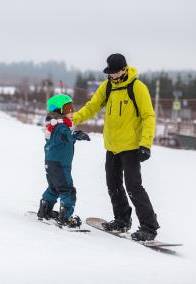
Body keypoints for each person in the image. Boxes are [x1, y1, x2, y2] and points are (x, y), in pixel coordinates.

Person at [73, 53, 160, 241]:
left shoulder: (137, 88)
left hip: (131, 147)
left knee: (133, 187)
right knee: (113, 184)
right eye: (109, 72)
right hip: (112, 146)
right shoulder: (108, 87)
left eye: (114, 72)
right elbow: (92, 106)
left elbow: (148, 117)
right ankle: (121, 219)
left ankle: (149, 227)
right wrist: (73, 119)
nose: (111, 75)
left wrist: (145, 144)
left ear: (123, 69)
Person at [37, 94, 90, 228]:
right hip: (60, 166)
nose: (72, 111)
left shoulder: (53, 126)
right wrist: (76, 134)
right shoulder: (60, 127)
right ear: (58, 111)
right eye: (68, 109)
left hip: (51, 165)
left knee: (54, 188)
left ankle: (45, 208)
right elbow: (66, 135)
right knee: (67, 190)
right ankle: (66, 217)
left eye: (72, 108)